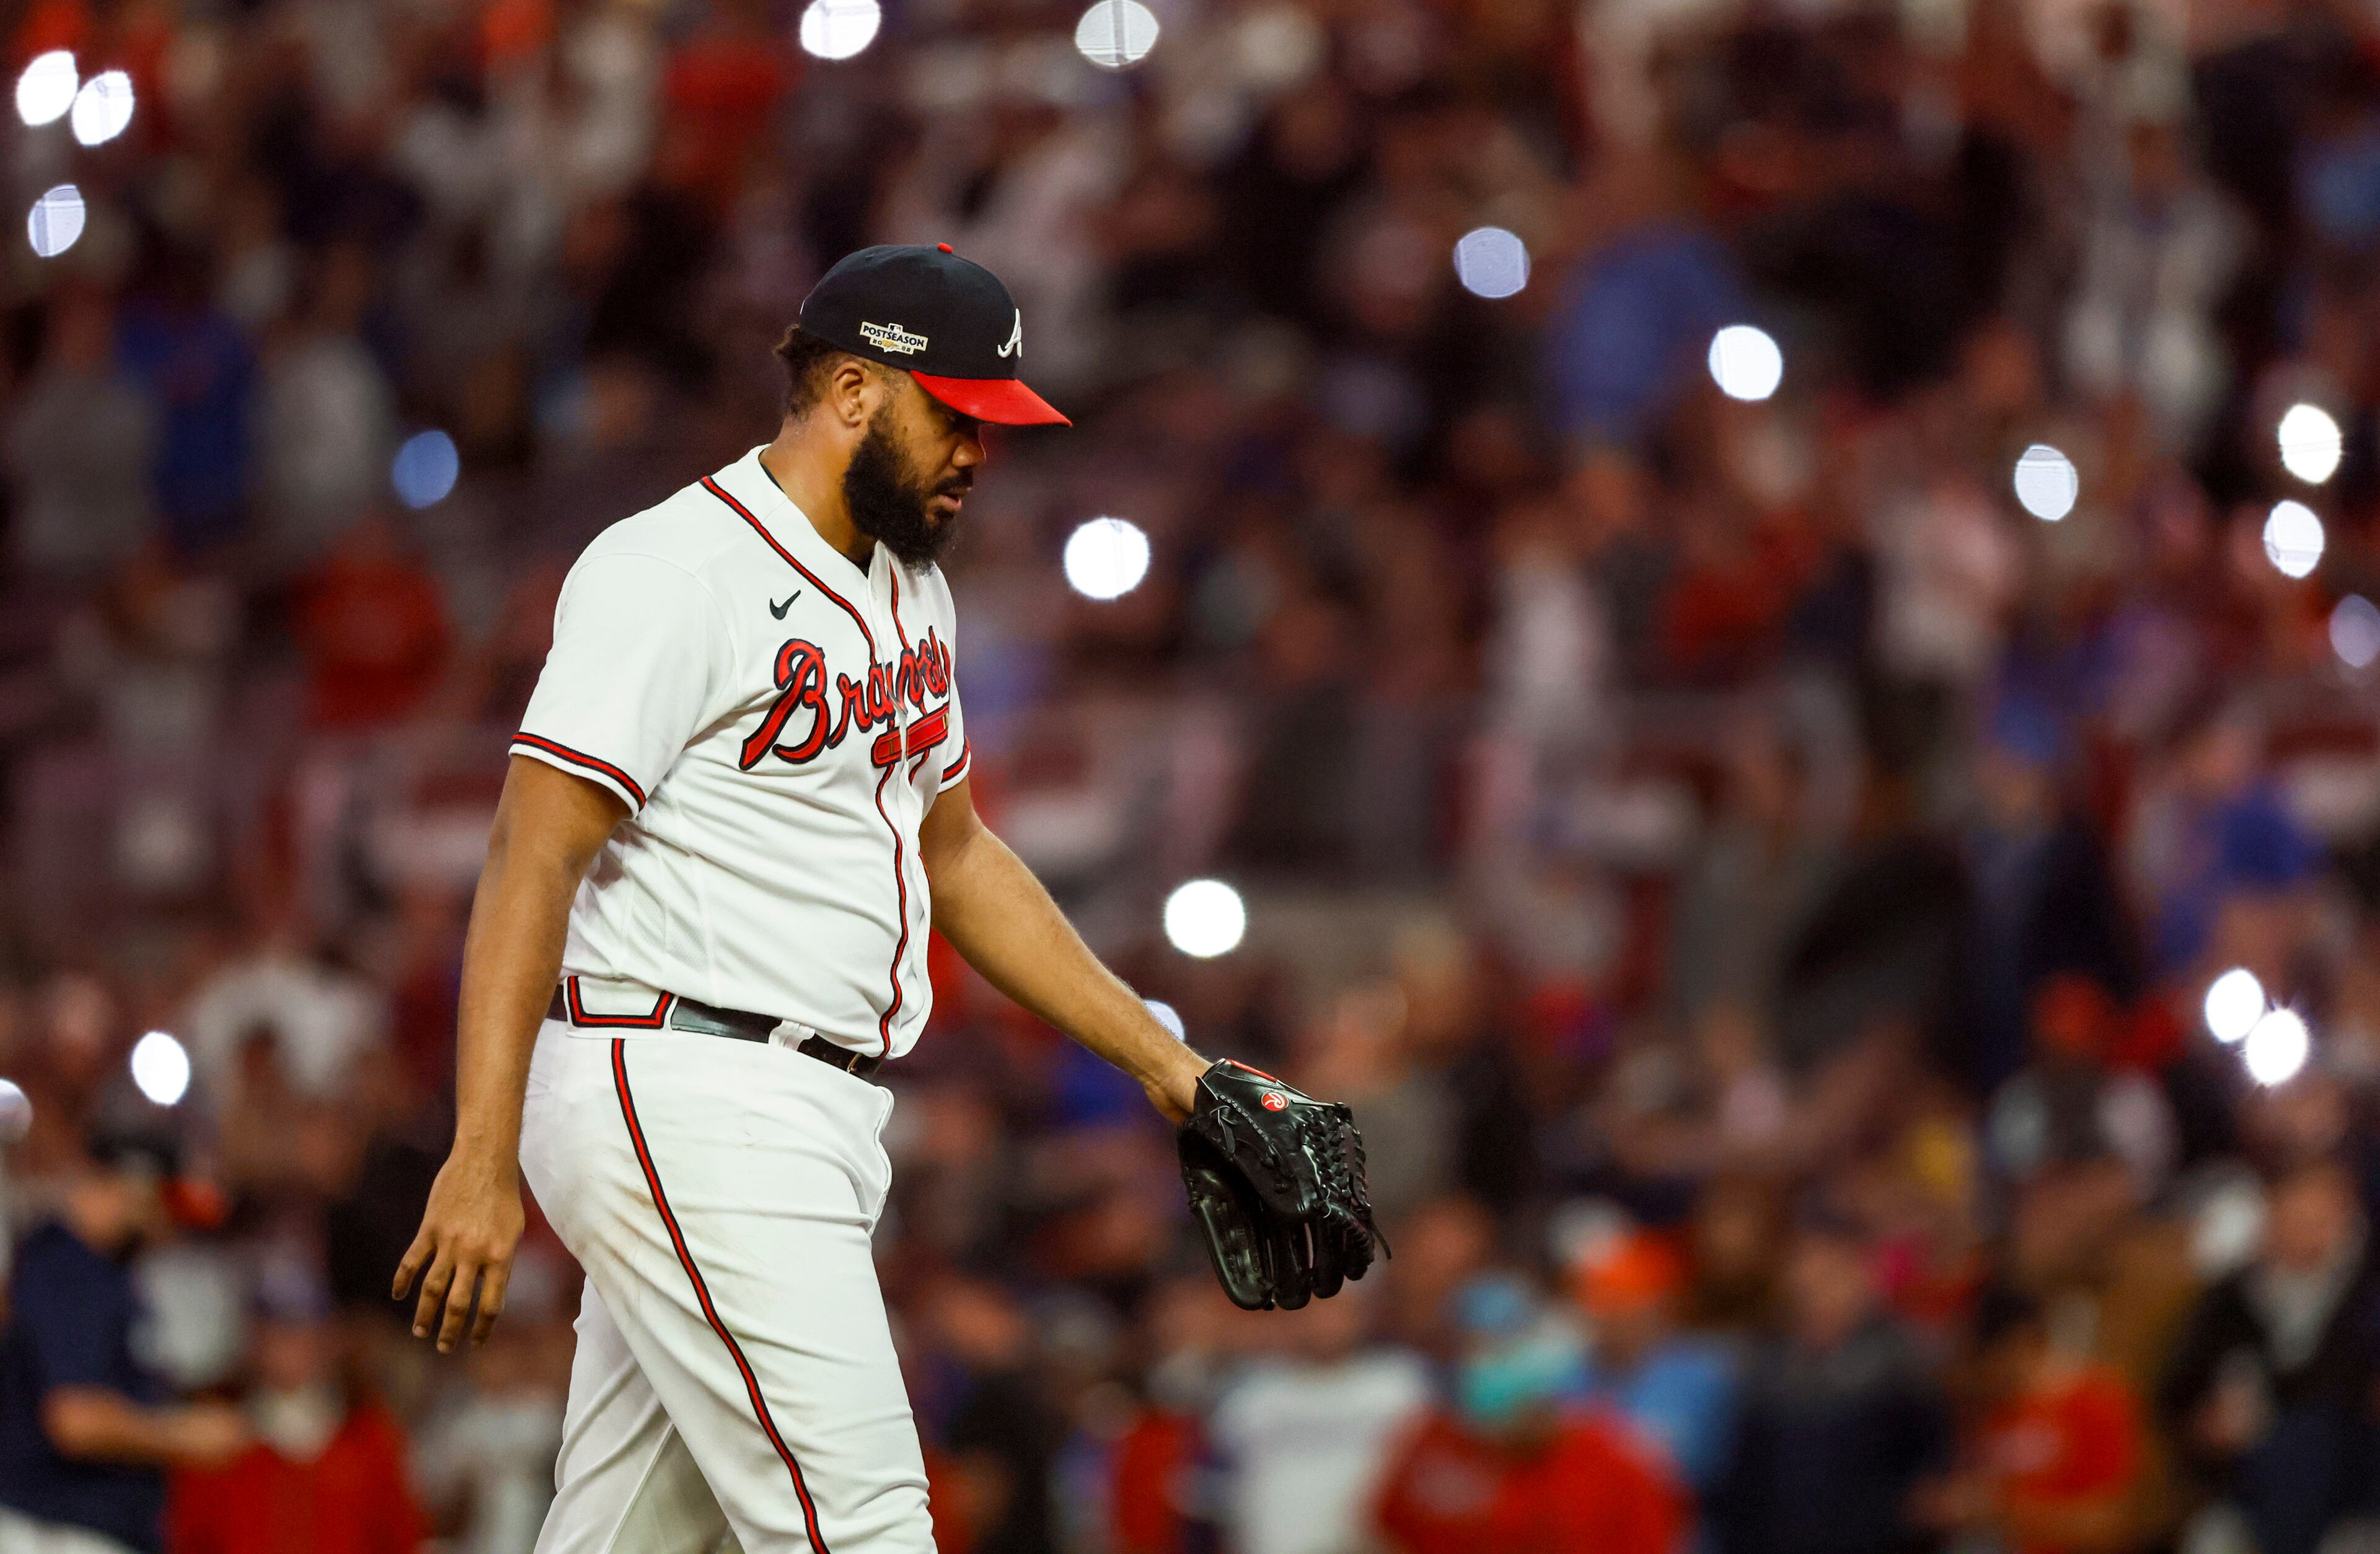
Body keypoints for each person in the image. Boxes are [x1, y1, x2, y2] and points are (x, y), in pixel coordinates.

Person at [392, 244, 1353, 1552]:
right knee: (867, 1529)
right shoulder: (678, 570)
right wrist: (480, 1149)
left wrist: (1172, 1069)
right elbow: (530, 853)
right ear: (852, 390)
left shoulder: (913, 588)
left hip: (794, 1103)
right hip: (685, 1082)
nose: (978, 450)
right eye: (956, 413)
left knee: (630, 1538)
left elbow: (955, 856)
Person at [0, 1125, 247, 1554]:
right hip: (57, 1529)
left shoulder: (98, 1271)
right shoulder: (69, 1268)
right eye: (158, 1203)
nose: (164, 1223)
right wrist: (184, 1434)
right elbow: (74, 1419)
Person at [2157, 1157, 2379, 1554]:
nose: (2305, 1228)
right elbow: (2179, 1394)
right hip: (2248, 1495)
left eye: (2321, 1215)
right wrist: (2203, 1425)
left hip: (2355, 1500)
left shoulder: (2367, 1296)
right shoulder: (2230, 1300)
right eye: (2293, 1212)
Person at [1371, 1275, 1684, 1554]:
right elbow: (1392, 1528)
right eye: (1469, 1349)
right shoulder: (1435, 1443)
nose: (1480, 1363)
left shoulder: (1618, 1468)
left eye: (1499, 1350)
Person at [1707, 1212, 1951, 1554]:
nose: (1816, 1290)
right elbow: (1743, 1486)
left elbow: (1930, 1487)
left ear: (1862, 1275)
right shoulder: (1766, 1367)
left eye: (1830, 1274)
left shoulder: (1903, 1366)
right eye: (1806, 1275)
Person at [167, 1272, 425, 1554]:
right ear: (255, 1340)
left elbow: (402, 1538)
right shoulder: (215, 1441)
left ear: (329, 1339)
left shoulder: (369, 1437)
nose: (291, 1347)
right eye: (277, 1332)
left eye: (303, 1332)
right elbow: (189, 1540)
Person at [1913, 1287, 2146, 1554]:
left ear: (2018, 1343)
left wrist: (2001, 1512)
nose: (1980, 1375)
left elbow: (2112, 1522)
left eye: (1985, 1361)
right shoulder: (1993, 1409)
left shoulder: (2099, 1401)